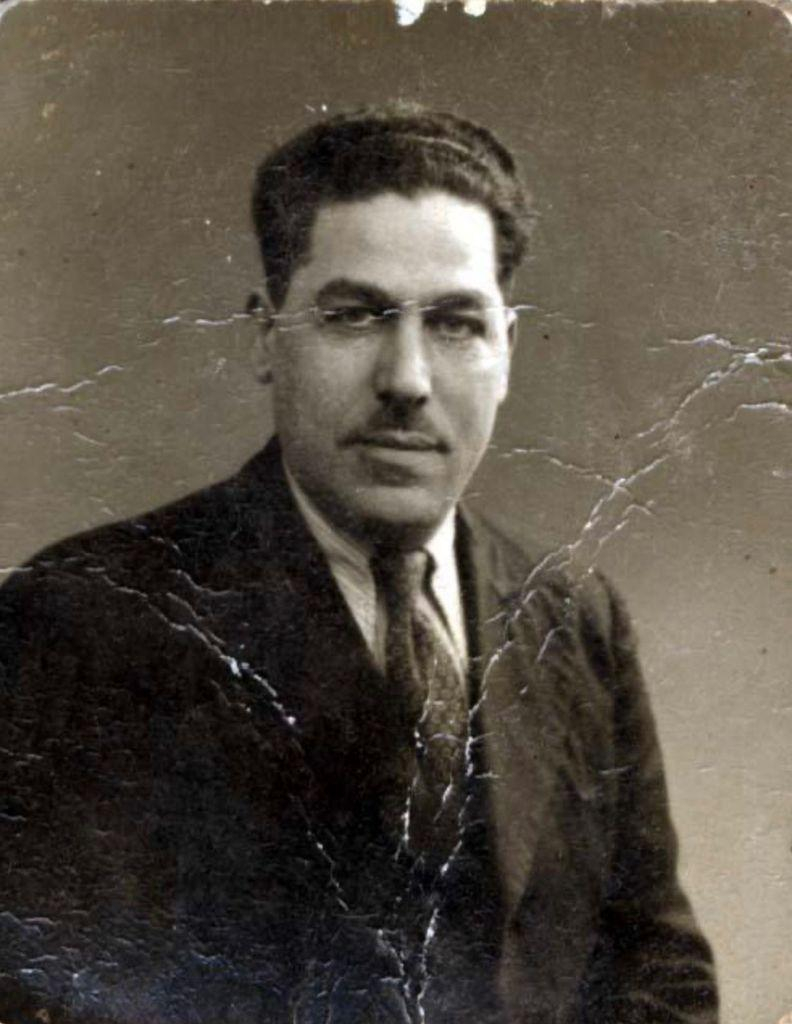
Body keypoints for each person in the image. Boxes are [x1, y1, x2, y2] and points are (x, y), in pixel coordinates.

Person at [0, 105, 718, 1024]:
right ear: (267, 336)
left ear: (507, 352)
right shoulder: (86, 617)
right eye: (354, 316)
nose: (408, 379)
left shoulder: (575, 619)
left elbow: (659, 975)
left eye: (457, 323)